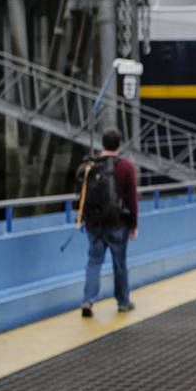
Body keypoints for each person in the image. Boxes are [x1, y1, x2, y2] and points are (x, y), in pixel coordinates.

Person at [78, 127, 138, 317]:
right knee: (119, 263)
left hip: (93, 225)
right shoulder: (126, 166)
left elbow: (80, 195)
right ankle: (123, 302)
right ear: (119, 145)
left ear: (102, 143)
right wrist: (134, 224)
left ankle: (88, 300)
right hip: (118, 224)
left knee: (94, 262)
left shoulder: (90, 166)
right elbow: (132, 198)